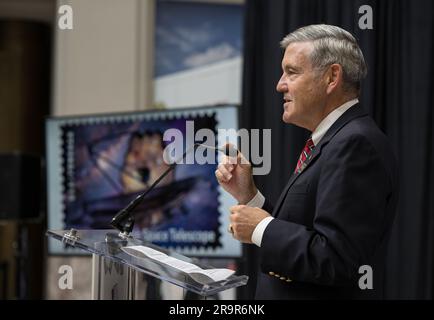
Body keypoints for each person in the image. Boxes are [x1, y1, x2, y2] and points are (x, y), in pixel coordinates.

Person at [215, 24, 399, 299]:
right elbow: (304, 229)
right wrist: (249, 196)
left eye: (292, 71)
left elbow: (336, 259)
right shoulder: (332, 140)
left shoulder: (355, 144)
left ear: (331, 77)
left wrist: (262, 228)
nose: (280, 85)